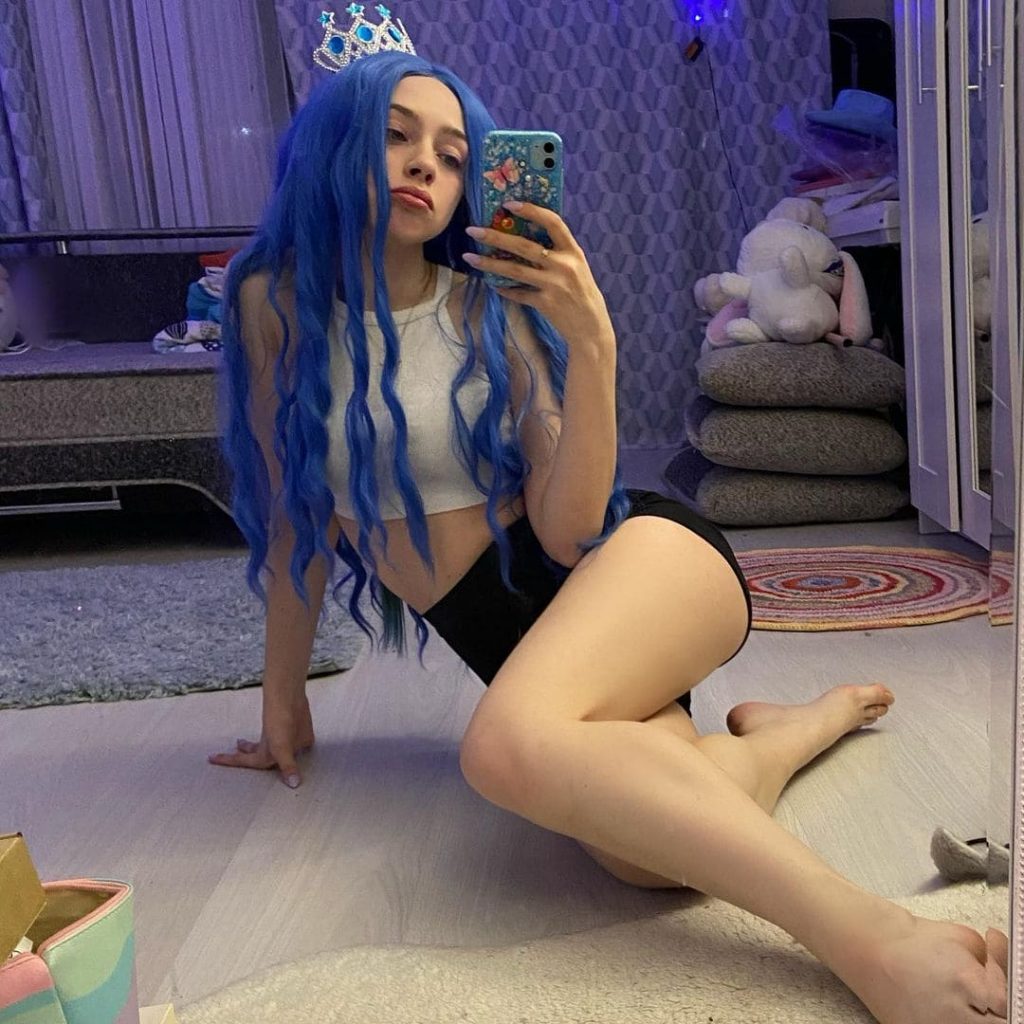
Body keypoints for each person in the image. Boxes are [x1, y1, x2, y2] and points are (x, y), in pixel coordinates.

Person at [208, 46, 1008, 1024]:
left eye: (453, 155)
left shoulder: (488, 305)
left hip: (636, 567)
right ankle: (798, 728)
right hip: (529, 650)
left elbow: (570, 528)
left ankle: (872, 935)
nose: (426, 166)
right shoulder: (272, 301)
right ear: (334, 146)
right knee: (645, 860)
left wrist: (592, 341)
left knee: (500, 750)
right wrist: (283, 699)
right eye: (396, 136)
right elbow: (290, 517)